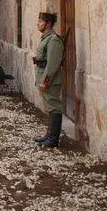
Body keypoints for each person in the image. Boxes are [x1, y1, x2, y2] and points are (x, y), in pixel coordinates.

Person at [32, 11, 64, 148]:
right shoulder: (46, 38)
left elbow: (52, 64)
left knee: (54, 106)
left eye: (41, 22)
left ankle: (53, 138)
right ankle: (49, 135)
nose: (38, 24)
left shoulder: (54, 40)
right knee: (50, 107)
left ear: (48, 24)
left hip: (50, 80)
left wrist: (45, 82)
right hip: (44, 77)